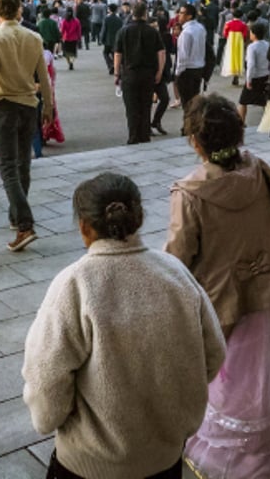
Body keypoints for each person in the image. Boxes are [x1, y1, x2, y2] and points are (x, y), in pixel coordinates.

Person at [22, 173, 225, 479]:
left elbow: (46, 379)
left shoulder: (74, 284)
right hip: (164, 458)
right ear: (138, 218)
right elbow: (214, 353)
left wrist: (50, 419)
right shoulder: (176, 273)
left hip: (90, 464)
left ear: (84, 227)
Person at [166, 94, 270, 477]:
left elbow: (177, 255)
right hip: (267, 289)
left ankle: (220, 455)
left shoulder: (190, 193)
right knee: (259, 373)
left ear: (196, 141)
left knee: (225, 378)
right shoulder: (258, 170)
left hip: (220, 301)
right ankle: (258, 452)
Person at [0, 0, 53, 252]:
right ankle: (16, 215)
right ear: (19, 8)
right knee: (23, 164)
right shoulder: (33, 37)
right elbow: (43, 77)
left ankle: (24, 223)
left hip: (5, 105)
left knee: (7, 167)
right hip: (29, 105)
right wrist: (49, 106)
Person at [113, 1, 165, 145]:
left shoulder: (123, 31)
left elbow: (118, 54)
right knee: (145, 106)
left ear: (132, 13)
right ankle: (144, 135)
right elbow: (161, 52)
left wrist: (117, 73)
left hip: (129, 74)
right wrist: (159, 71)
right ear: (145, 14)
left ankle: (133, 136)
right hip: (148, 74)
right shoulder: (152, 31)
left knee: (131, 107)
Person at [174, 3, 207, 119]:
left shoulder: (186, 33)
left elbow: (183, 57)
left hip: (187, 71)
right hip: (198, 69)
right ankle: (193, 125)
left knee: (187, 104)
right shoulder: (200, 28)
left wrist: (177, 73)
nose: (179, 15)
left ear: (189, 16)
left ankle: (188, 127)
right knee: (194, 102)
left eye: (182, 13)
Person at [238, 21, 270, 124]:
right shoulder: (267, 44)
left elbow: (251, 65)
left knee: (243, 101)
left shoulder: (252, 47)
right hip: (265, 75)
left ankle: (241, 122)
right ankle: (268, 121)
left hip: (255, 77)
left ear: (254, 34)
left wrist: (248, 80)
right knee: (264, 101)